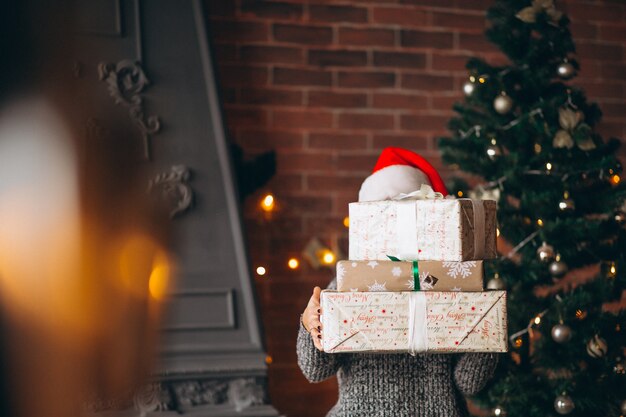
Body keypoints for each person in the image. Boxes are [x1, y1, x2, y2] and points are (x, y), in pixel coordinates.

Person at [297, 147, 499, 417]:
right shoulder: (349, 282)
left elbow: (469, 382)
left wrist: (487, 325)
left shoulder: (454, 280)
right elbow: (315, 370)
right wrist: (309, 325)